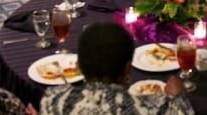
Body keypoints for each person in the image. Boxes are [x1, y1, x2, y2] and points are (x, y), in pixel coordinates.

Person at [40, 22, 192, 114]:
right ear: (127, 68)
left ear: (78, 65)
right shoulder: (152, 108)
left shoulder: (52, 99)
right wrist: (178, 97)